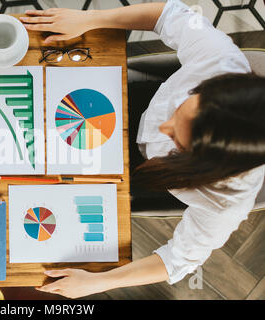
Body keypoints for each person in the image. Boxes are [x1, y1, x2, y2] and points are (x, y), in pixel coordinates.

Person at [19, 0, 265, 298]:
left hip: (143, 173)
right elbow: (168, 14)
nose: (165, 129)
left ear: (209, 168)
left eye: (179, 142)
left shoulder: (226, 201)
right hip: (126, 102)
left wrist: (99, 282)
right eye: (181, 112)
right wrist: (91, 18)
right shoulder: (220, 58)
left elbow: (179, 260)